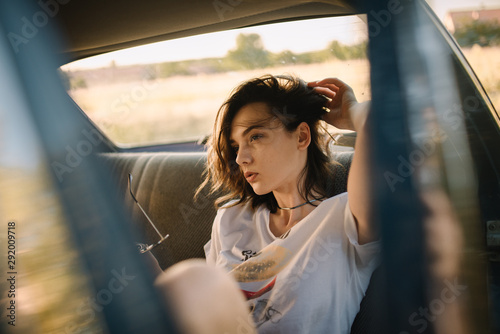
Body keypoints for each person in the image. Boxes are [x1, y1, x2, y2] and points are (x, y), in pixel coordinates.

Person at [199, 74, 380, 333]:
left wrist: (352, 112)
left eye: (256, 137)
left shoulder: (347, 219)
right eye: (235, 145)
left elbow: (375, 122)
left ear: (302, 137)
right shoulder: (231, 219)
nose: (240, 158)